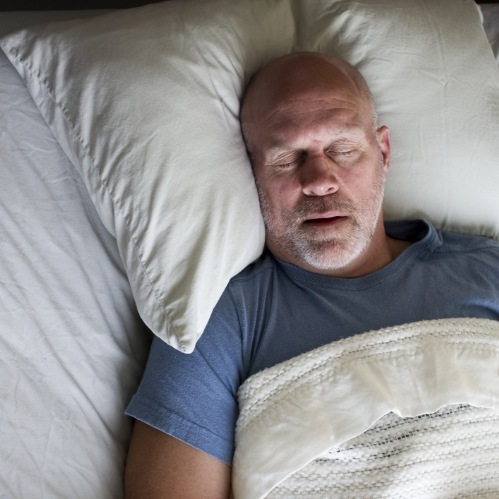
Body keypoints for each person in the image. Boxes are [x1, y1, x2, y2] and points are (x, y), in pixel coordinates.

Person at [124, 52, 499, 497]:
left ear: (382, 153)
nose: (320, 180)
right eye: (287, 158)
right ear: (253, 173)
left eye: (341, 149)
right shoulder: (216, 320)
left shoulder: (487, 269)